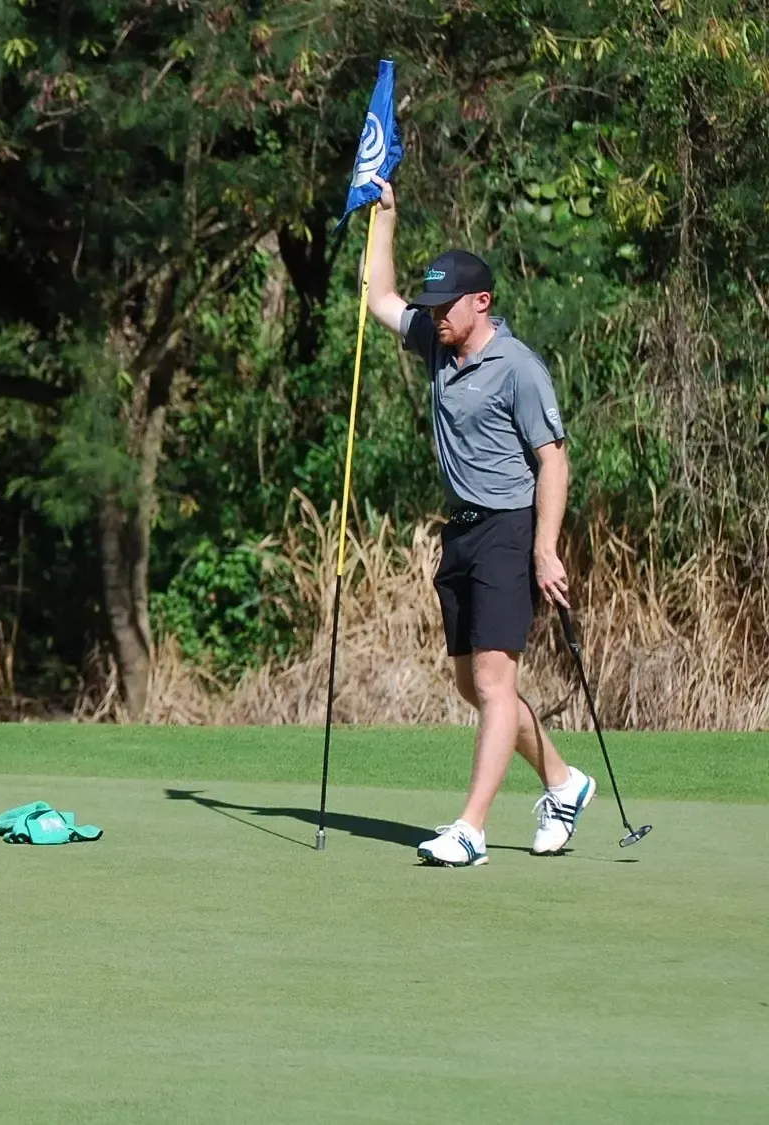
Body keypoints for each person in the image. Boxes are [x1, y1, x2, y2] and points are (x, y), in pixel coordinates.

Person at [364, 178, 596, 865]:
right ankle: (563, 780)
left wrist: (545, 549)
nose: (432, 315)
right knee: (477, 686)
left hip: (508, 528)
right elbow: (380, 298)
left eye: (445, 305)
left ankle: (471, 827)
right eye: (430, 305)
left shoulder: (517, 366)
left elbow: (553, 462)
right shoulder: (438, 344)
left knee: (496, 683)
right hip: (460, 530)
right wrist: (387, 215)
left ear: (482, 301)